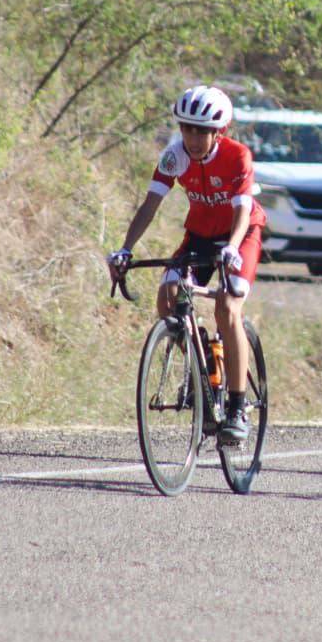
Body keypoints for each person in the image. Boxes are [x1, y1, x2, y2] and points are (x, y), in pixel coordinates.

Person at [106, 85, 265, 444]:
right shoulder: (174, 156)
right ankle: (204, 360)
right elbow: (150, 205)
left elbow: (242, 209)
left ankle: (238, 409)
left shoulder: (238, 156)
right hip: (199, 236)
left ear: (218, 131)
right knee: (167, 300)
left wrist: (234, 247)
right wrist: (125, 249)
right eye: (186, 128)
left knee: (227, 307)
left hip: (242, 234)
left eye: (201, 130)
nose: (192, 138)